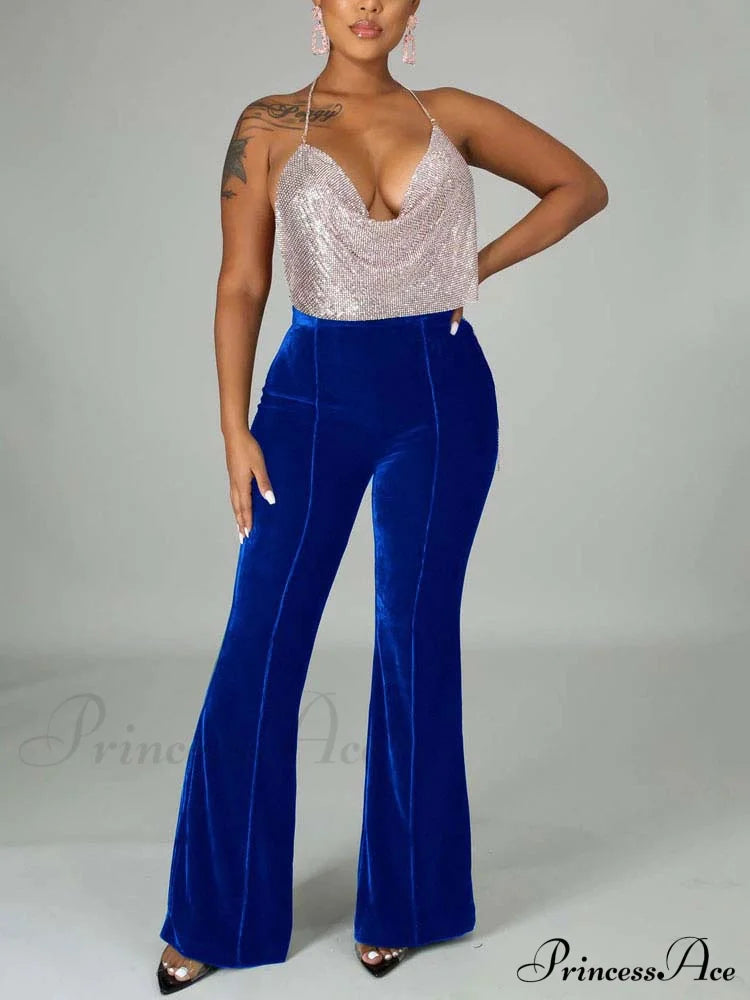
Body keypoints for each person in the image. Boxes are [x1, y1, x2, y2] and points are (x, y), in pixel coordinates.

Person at [156, 0, 608, 991]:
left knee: (416, 637)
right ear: (316, 4)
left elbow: (582, 186)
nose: (368, 5)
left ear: (414, 7)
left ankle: (406, 900)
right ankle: (216, 912)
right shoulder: (268, 125)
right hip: (309, 400)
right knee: (260, 643)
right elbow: (242, 283)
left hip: (443, 401)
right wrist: (233, 427)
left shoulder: (453, 113)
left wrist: (475, 267)